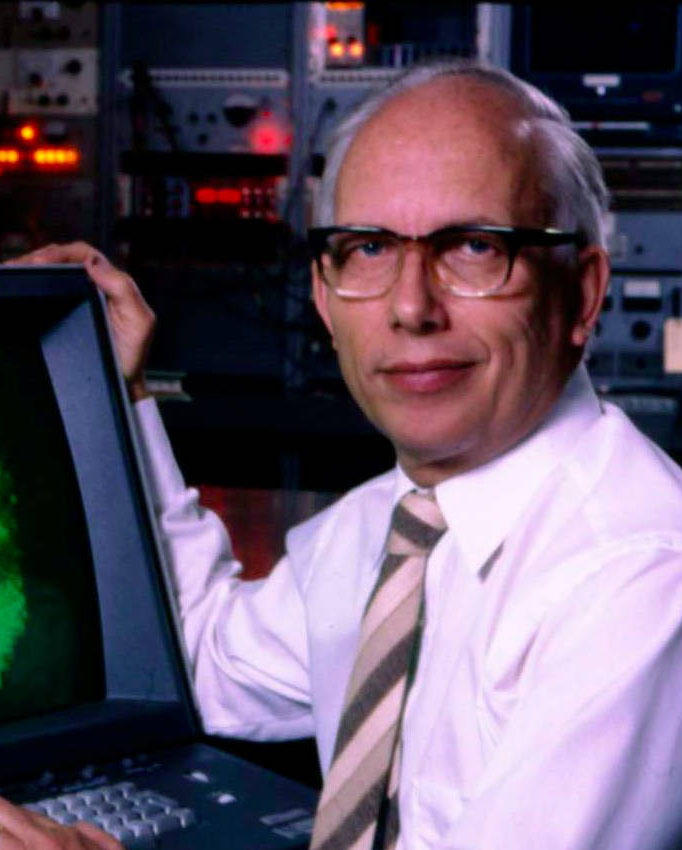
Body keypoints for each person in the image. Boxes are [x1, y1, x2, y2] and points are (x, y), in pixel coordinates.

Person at [3, 58, 682, 849]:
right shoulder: (385, 531)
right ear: (324, 299)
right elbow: (211, 667)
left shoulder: (639, 576)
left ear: (584, 294)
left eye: (472, 246)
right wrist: (125, 392)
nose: (409, 306)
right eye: (368, 248)